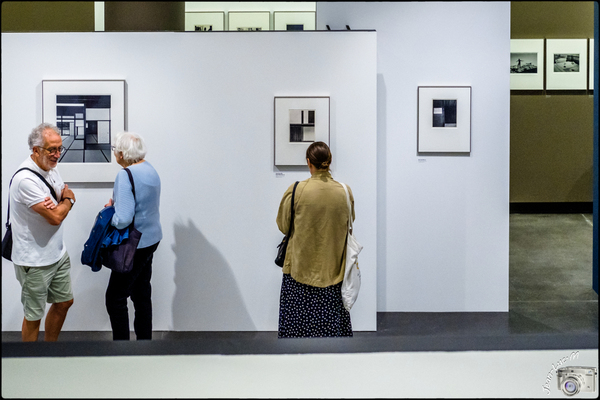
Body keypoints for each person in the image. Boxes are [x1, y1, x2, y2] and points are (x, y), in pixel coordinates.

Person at [276, 141, 355, 338]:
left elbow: (283, 226)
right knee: (330, 338)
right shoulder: (344, 192)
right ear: (329, 161)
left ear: (309, 162)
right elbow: (350, 222)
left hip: (299, 275)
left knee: (296, 336)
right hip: (333, 273)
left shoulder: (296, 190)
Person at [9, 123, 76, 342]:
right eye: (52, 149)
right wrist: (68, 199)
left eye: (59, 149)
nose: (57, 155)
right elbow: (56, 216)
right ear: (36, 150)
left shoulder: (52, 168)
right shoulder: (25, 180)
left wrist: (60, 203)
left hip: (57, 253)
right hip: (34, 260)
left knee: (64, 302)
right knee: (34, 315)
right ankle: (29, 362)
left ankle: (50, 352)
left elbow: (58, 206)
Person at [104, 132, 162, 340]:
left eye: (115, 150)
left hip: (134, 243)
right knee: (141, 294)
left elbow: (123, 219)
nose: (115, 155)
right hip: (151, 238)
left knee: (115, 298)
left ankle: (122, 347)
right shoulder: (150, 169)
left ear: (122, 153)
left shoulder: (125, 174)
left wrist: (110, 214)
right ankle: (144, 343)